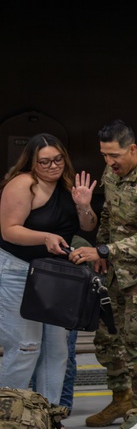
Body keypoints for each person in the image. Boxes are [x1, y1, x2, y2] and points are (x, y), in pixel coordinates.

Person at [70, 120, 137, 426]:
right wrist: (103, 248)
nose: (108, 162)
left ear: (132, 148)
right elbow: (108, 215)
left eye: (114, 155)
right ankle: (121, 399)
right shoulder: (112, 172)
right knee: (106, 339)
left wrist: (103, 251)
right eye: (104, 155)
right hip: (116, 268)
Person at [0, 134, 96, 407]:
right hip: (18, 271)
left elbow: (87, 227)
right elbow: (9, 231)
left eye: (58, 160)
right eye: (45, 162)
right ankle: (10, 420)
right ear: (32, 162)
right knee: (25, 348)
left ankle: (47, 422)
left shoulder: (68, 184)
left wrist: (84, 206)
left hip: (55, 276)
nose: (53, 166)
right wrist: (44, 237)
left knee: (56, 351)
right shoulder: (23, 184)